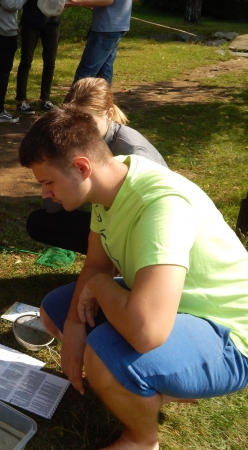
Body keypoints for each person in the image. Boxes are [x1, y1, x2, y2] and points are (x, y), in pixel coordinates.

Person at [19, 105, 248, 449]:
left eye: (48, 182)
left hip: (228, 332)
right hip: (175, 302)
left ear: (82, 167)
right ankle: (160, 382)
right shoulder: (110, 183)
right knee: (55, 311)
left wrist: (98, 288)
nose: (45, 194)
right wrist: (74, 328)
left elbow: (146, 332)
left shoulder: (161, 205)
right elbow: (96, 263)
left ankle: (142, 439)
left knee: (103, 355)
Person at [26, 77, 167, 254]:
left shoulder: (135, 152)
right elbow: (52, 207)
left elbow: (154, 218)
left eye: (87, 120)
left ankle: (121, 262)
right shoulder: (79, 143)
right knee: (39, 222)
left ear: (108, 115)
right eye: (73, 120)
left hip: (148, 232)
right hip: (111, 220)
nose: (79, 129)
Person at [66, 0, 132, 85]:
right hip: (116, 26)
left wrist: (76, 2)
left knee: (85, 72)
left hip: (106, 28)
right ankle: (104, 98)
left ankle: (75, 98)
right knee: (104, 71)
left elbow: (106, 1)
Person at [15, 0, 61, 115]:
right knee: (26, 60)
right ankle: (21, 101)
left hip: (52, 21)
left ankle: (45, 99)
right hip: (30, 21)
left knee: (50, 62)